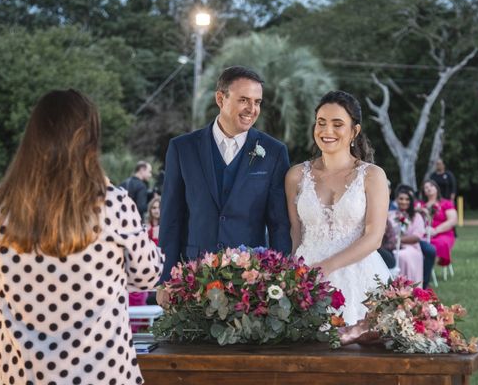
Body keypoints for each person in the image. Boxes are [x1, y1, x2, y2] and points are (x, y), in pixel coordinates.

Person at [0, 89, 163, 384]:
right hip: (102, 374)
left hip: (21, 375)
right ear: (90, 140)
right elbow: (148, 275)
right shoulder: (113, 203)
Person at [159, 66, 292, 282]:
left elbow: (279, 224)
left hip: (250, 281)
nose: (252, 109)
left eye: (257, 102)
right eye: (243, 100)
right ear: (220, 99)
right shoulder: (182, 148)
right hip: (193, 276)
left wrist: (281, 278)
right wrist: (166, 280)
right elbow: (171, 220)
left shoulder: (274, 152)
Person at [286, 91, 391, 324]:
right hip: (307, 274)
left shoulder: (372, 176)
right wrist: (291, 276)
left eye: (337, 124)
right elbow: (295, 232)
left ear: (354, 131)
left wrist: (326, 268)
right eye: (321, 123)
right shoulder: (296, 175)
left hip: (357, 272)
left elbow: (374, 238)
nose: (327, 131)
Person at [129, 196, 161, 316]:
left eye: (159, 207)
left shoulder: (165, 228)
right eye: (153, 207)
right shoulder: (144, 227)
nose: (156, 210)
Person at [388, 186, 425, 284]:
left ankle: (407, 285)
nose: (404, 201)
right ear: (396, 200)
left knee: (400, 255)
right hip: (391, 246)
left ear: (411, 201)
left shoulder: (416, 216)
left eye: (407, 199)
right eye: (401, 199)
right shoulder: (390, 215)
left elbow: (417, 237)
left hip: (411, 248)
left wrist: (397, 239)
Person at [418, 179, 458, 266]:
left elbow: (453, 220)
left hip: (444, 234)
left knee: (440, 243)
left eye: (431, 186)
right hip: (423, 234)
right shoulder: (420, 205)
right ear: (424, 192)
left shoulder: (446, 203)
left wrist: (435, 230)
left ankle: (427, 270)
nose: (429, 188)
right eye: (426, 187)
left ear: (436, 188)